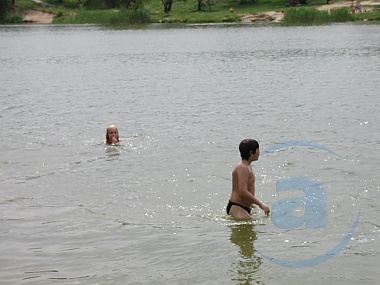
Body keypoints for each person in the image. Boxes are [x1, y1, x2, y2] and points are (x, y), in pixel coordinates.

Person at [226, 139, 270, 220]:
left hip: (243, 207)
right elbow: (242, 191)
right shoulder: (242, 168)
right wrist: (261, 204)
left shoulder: (247, 166)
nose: (259, 152)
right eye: (257, 150)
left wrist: (251, 203)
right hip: (237, 207)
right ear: (251, 153)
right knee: (251, 226)